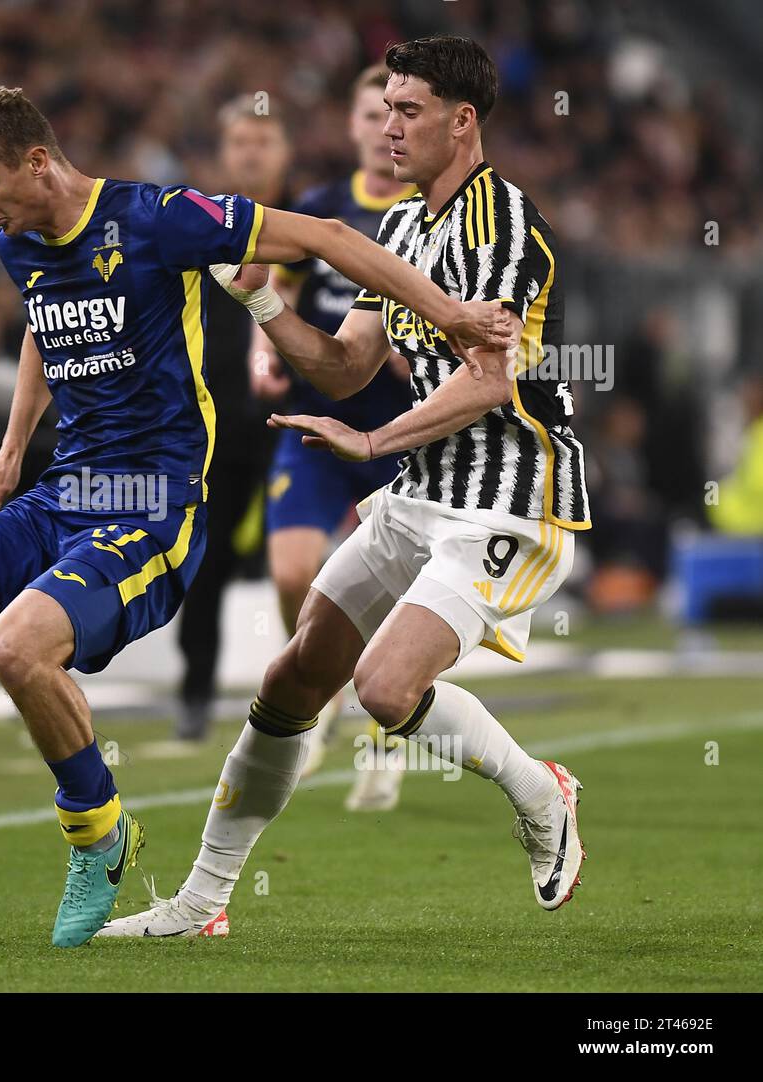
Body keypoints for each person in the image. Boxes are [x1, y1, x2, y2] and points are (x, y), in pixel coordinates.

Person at [0, 85, 512, 949]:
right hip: (58, 495)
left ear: (38, 162)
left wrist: (450, 314)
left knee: (16, 648)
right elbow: (46, 326)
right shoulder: (21, 242)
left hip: (152, 509)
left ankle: (101, 837)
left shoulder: (158, 219)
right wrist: (11, 451)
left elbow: (332, 238)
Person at [100, 35, 590, 940]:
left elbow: (490, 381)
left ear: (462, 120)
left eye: (408, 111)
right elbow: (343, 365)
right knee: (293, 681)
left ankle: (540, 791)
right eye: (386, 108)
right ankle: (200, 905)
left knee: (385, 690)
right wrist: (259, 302)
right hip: (421, 487)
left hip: (510, 498)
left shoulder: (511, 231)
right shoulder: (400, 228)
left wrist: (371, 441)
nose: (389, 129)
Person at [253, 63, 417, 803]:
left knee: (391, 588)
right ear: (353, 125)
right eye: (372, 113)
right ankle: (315, 689)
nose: (386, 127)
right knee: (293, 572)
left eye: (399, 111)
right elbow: (272, 290)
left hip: (403, 429)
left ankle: (387, 722)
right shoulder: (319, 209)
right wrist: (263, 352)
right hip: (318, 424)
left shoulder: (428, 215)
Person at [175, 95, 292, 741]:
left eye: (264, 140)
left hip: (304, 417)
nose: (251, 152)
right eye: (240, 140)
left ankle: (330, 692)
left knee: (315, 554)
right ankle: (196, 694)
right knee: (208, 558)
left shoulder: (313, 226)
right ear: (224, 153)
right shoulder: (196, 228)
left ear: (286, 152)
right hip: (220, 421)